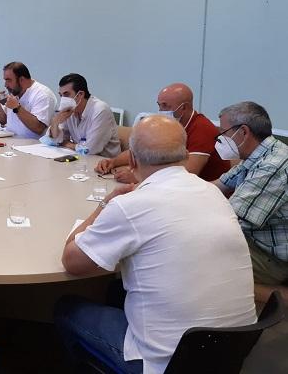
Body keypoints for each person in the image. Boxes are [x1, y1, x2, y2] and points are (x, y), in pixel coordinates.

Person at [56, 115, 256, 374]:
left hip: (168, 364)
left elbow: (72, 261)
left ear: (133, 159)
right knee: (117, 290)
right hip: (230, 351)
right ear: (185, 154)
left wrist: (106, 204)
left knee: (66, 308)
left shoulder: (130, 206)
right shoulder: (211, 192)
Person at [211, 101, 288, 302]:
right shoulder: (257, 155)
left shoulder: (273, 165)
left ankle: (276, 296)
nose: (219, 140)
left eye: (222, 133)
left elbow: (232, 221)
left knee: (200, 262)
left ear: (243, 132)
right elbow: (216, 186)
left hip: (269, 256)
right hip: (254, 238)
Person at [95, 83, 229, 182]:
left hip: (200, 190)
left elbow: (188, 173)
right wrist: (113, 162)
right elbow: (140, 150)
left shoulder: (202, 128)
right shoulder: (167, 124)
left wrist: (139, 177)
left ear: (184, 108)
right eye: (159, 105)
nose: (160, 110)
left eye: (165, 106)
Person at [41, 73, 120, 157]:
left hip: (105, 163)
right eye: (61, 95)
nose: (63, 99)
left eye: (66, 94)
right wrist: (55, 123)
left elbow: (89, 149)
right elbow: (51, 141)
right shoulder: (70, 109)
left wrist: (66, 143)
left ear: (80, 95)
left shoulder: (101, 110)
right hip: (80, 159)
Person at [0, 61, 56, 139]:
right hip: (10, 141)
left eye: (9, 80)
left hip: (32, 146)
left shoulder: (43, 94)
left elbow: (39, 128)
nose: (5, 85)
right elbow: (3, 120)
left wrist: (17, 108)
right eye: (5, 80)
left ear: (21, 79)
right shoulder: (15, 91)